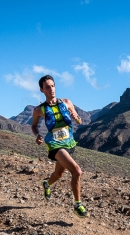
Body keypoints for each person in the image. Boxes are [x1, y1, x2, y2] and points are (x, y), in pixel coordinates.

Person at [31, 74, 88, 218]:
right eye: (47, 87)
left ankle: (46, 184)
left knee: (59, 174)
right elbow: (33, 126)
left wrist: (76, 118)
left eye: (53, 86)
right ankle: (77, 205)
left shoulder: (67, 102)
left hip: (69, 143)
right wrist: (37, 135)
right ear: (41, 90)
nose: (51, 89)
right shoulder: (39, 110)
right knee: (77, 171)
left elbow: (79, 122)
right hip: (54, 145)